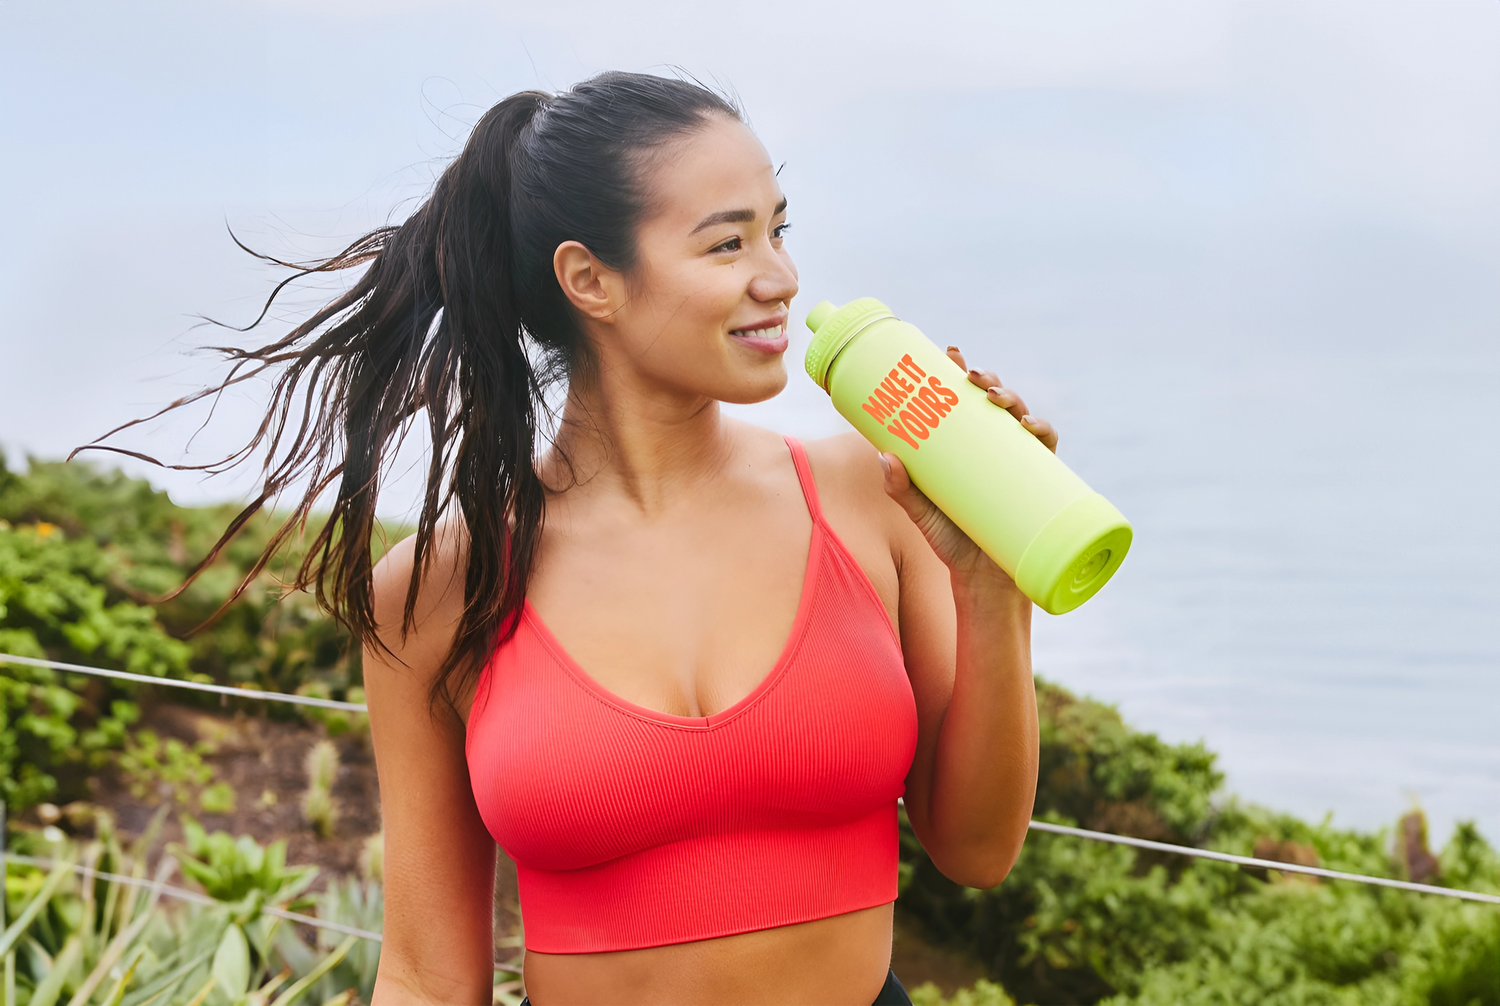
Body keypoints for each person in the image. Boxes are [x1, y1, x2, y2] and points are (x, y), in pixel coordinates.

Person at [112, 71, 1052, 1006]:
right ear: (589, 279)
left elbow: (976, 849)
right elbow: (429, 979)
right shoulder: (441, 587)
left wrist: (992, 582)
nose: (780, 277)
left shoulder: (870, 491)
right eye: (727, 242)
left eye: (778, 229)